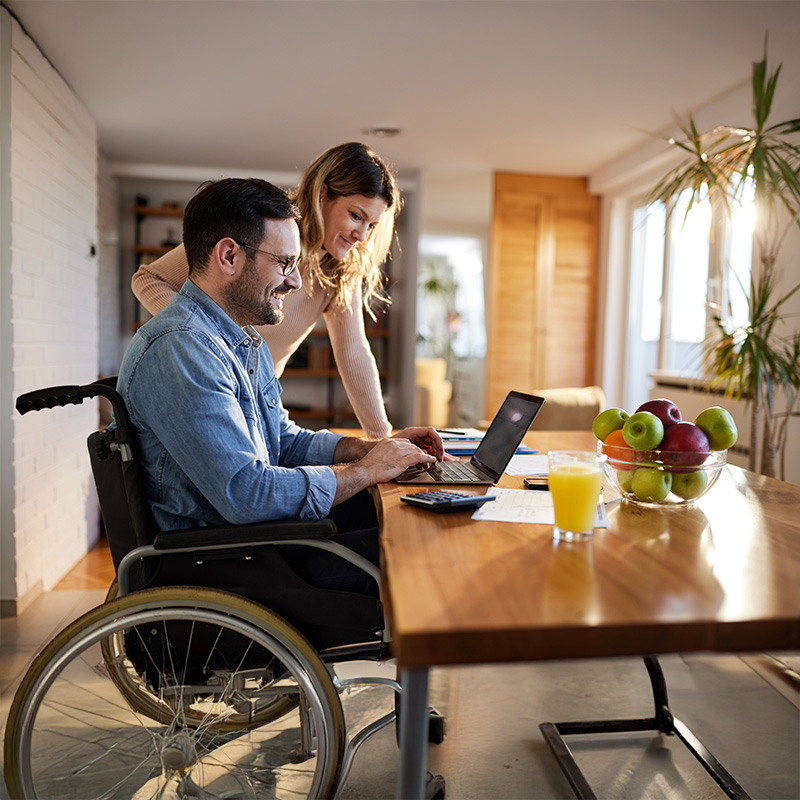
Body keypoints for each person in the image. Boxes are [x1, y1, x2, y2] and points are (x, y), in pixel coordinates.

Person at [117, 177, 442, 607]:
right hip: (227, 562)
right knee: (421, 557)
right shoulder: (182, 349)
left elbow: (283, 442)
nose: (294, 283)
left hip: (252, 540)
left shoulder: (244, 343)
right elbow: (248, 494)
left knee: (413, 517)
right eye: (285, 263)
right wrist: (364, 473)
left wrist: (371, 450)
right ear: (229, 255)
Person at [131, 142, 399, 438]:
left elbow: (353, 354)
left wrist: (383, 440)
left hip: (252, 404)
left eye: (372, 225)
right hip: (199, 391)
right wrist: (212, 341)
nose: (361, 236)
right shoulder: (263, 226)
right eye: (356, 216)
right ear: (323, 194)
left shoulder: (339, 271)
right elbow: (148, 279)